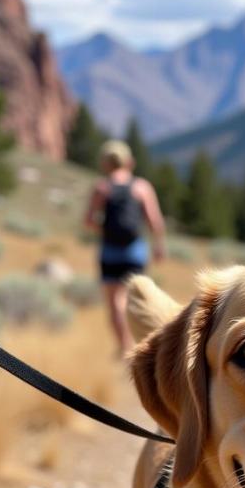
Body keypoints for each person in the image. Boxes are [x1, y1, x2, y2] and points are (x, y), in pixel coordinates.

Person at [84, 140, 166, 354]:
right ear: (129, 161)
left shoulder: (102, 187)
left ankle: (125, 348)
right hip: (135, 250)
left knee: (115, 302)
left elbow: (89, 221)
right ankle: (143, 347)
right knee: (137, 300)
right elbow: (155, 221)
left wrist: (106, 231)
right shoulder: (141, 187)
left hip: (110, 250)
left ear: (106, 163)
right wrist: (158, 246)